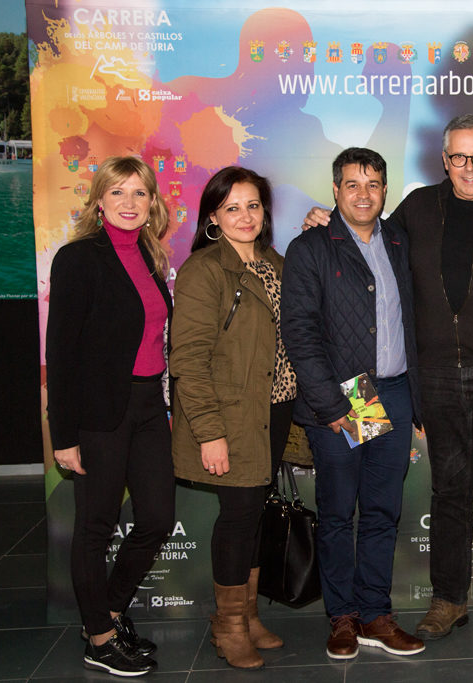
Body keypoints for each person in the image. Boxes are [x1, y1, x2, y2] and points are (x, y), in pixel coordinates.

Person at [304, 114, 473, 645]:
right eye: (458, 157)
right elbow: (365, 233)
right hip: (434, 374)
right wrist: (327, 221)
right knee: (450, 490)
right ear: (445, 161)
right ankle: (448, 599)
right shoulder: (417, 208)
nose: (468, 167)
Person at [281, 148, 425, 660]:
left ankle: (375, 615)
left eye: (373, 184)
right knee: (339, 513)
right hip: (345, 398)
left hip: (394, 392)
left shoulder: (402, 241)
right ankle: (341, 616)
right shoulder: (311, 247)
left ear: (385, 190)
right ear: (335, 190)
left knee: (383, 512)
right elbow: (299, 333)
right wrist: (330, 404)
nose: (363, 194)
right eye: (352, 184)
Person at [47, 156, 174, 677]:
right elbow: (61, 352)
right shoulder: (77, 258)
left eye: (139, 193)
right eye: (117, 193)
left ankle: (110, 613)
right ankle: (97, 638)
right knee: (95, 527)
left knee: (158, 518)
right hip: (99, 413)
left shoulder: (150, 253)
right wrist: (64, 436)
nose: (128, 203)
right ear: (99, 200)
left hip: (147, 405)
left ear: (152, 203)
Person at [170, 166, 295, 670]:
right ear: (214, 218)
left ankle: (248, 614)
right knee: (239, 516)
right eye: (233, 208)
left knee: (257, 512)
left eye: (254, 205)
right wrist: (211, 432)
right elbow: (188, 360)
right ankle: (229, 626)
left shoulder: (276, 262)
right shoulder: (204, 270)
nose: (246, 216)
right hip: (233, 415)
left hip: (278, 409)